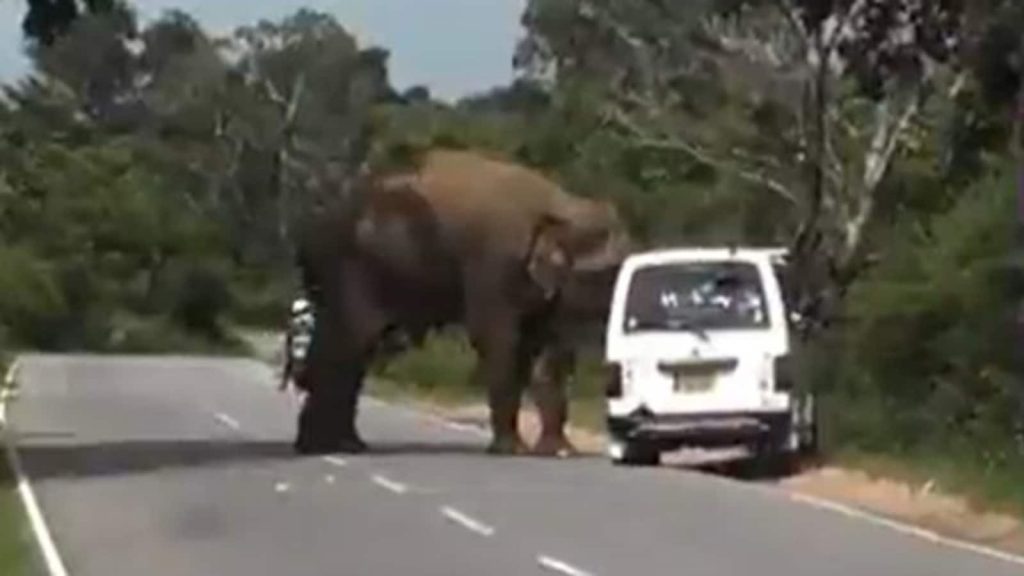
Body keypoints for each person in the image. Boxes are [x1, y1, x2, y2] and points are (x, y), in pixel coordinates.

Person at [280, 296, 315, 392]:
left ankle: (284, 381)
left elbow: (289, 334)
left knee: (288, 359)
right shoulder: (312, 320)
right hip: (304, 345)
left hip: (301, 345)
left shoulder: (294, 322)